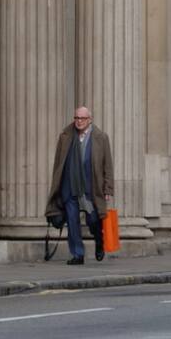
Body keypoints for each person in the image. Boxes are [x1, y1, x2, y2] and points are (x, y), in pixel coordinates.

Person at [45, 106, 114, 265]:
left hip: (91, 187)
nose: (79, 121)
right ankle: (77, 254)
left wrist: (108, 188)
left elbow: (107, 165)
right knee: (72, 220)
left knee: (93, 220)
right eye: (76, 118)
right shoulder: (65, 136)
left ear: (89, 120)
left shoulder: (101, 137)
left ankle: (99, 240)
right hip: (69, 186)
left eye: (82, 118)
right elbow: (58, 163)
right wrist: (57, 185)